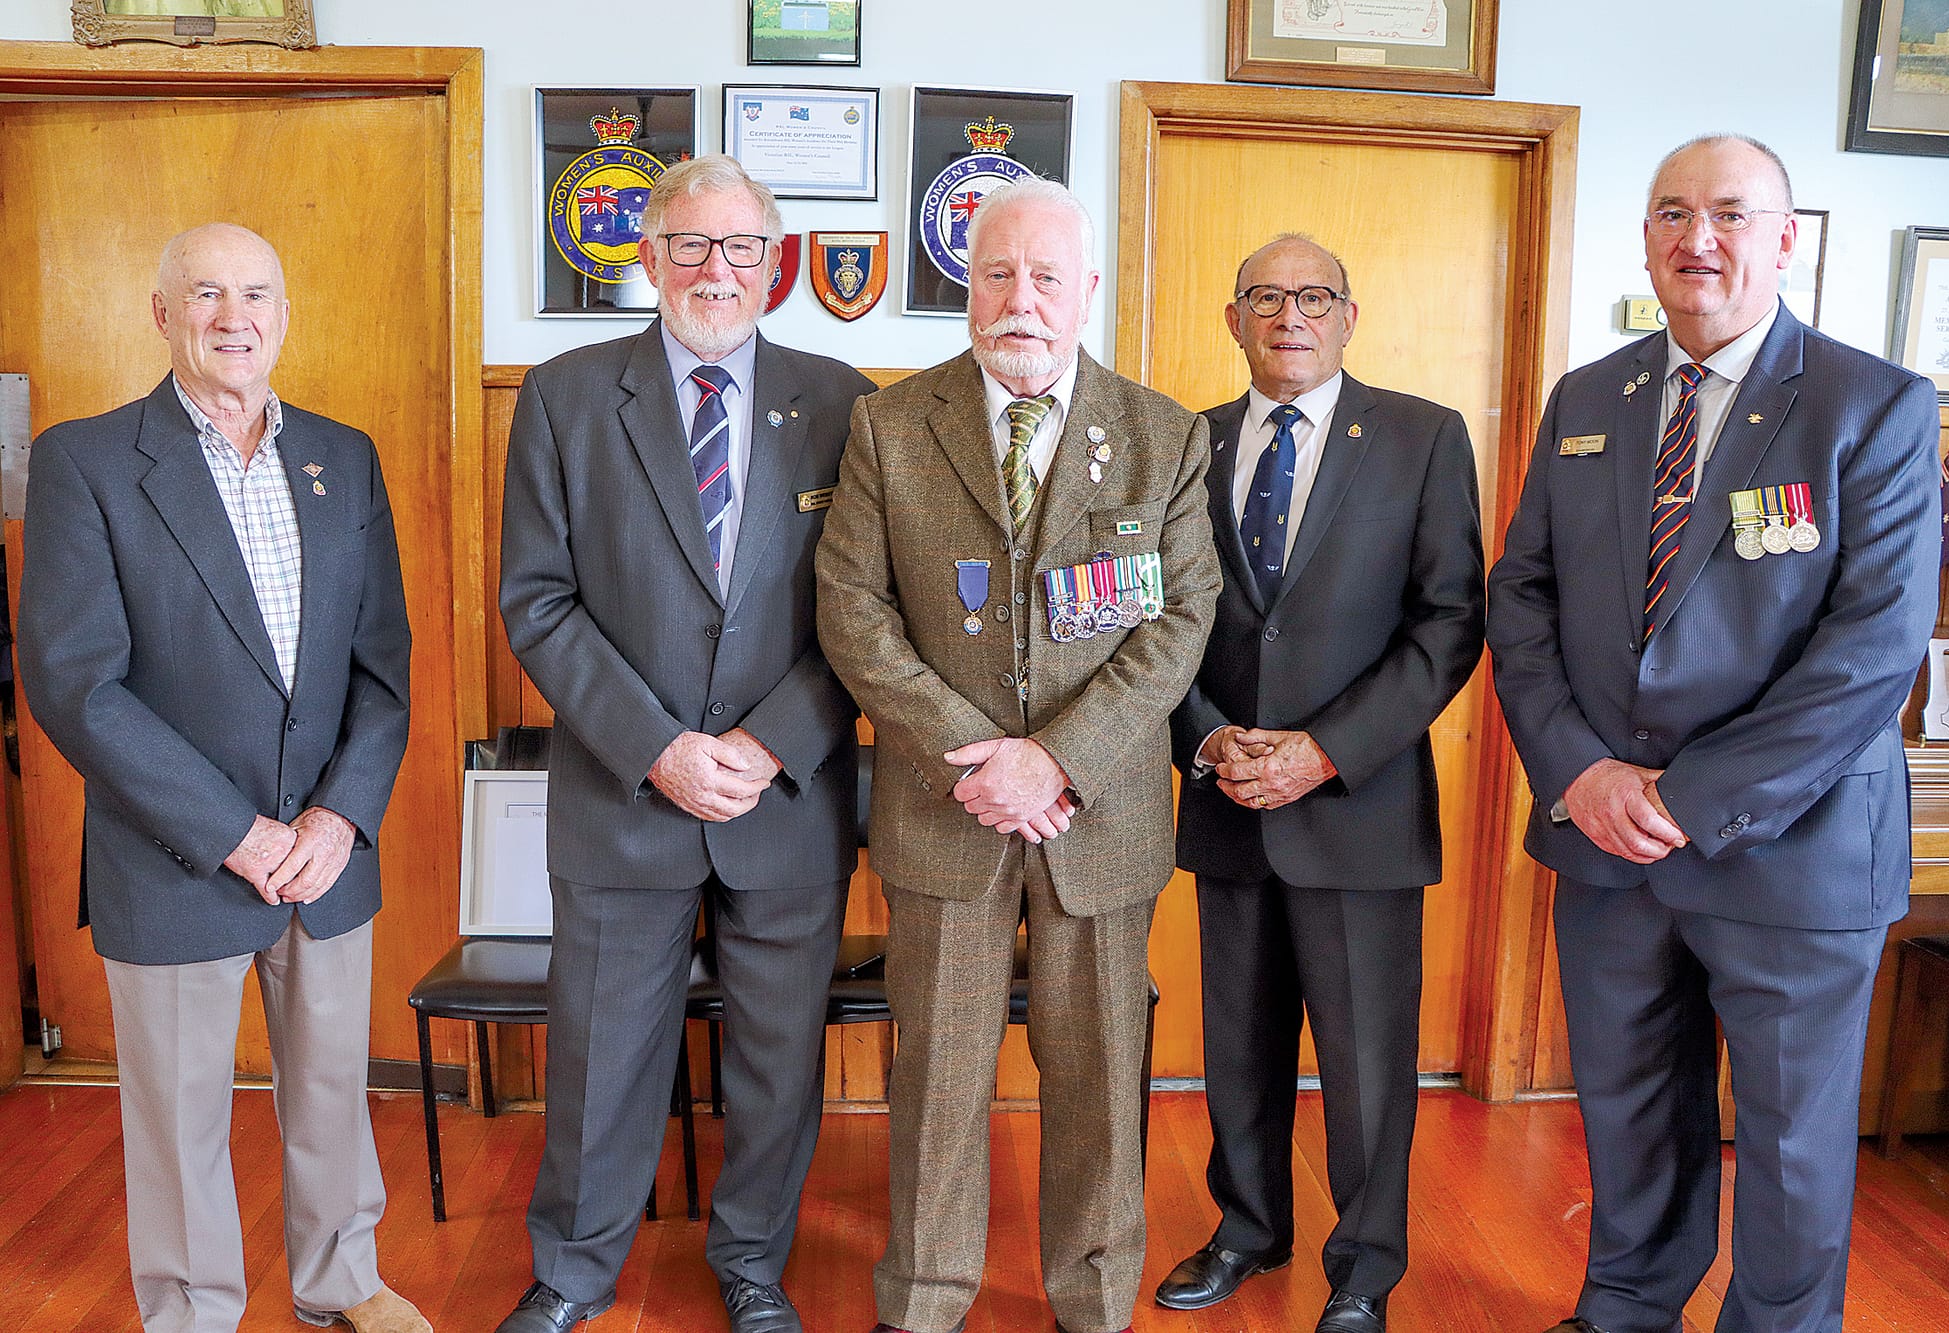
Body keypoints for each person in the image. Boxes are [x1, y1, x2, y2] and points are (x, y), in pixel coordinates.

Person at [1486, 135, 1941, 1333]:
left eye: (1731, 215)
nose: (1699, 240)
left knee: (1790, 1142)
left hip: (1788, 850)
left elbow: (1869, 653)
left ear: (1785, 240)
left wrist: (1683, 798)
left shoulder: (1871, 405)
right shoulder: (1589, 398)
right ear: (1643, 238)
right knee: (1629, 1110)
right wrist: (1578, 771)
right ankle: (1626, 1306)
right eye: (1672, 213)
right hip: (1603, 844)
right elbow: (1518, 595)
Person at [816, 176, 1222, 1333]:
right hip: (947, 809)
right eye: (997, 273)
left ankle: (1092, 1298)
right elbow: (853, 611)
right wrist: (978, 756)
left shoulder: (1162, 434)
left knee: (1096, 1075)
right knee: (937, 1074)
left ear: (1086, 289)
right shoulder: (890, 426)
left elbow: (1177, 623)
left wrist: (1055, 759)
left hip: (1099, 814)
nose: (1021, 300)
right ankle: (925, 1297)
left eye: (1047, 276)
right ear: (965, 283)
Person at [17, 223, 422, 1333]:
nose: (232, 315)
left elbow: (381, 669)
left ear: (285, 316)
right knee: (182, 1108)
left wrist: (339, 817)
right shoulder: (86, 461)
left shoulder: (342, 455)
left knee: (333, 1091)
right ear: (161, 315)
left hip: (327, 857)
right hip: (177, 853)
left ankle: (342, 1282)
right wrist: (235, 833)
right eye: (204, 292)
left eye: (256, 294)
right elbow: (73, 682)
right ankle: (194, 1309)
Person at [496, 154, 871, 1333]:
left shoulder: (849, 402)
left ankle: (753, 1264)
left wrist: (770, 742)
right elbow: (537, 601)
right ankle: (570, 1277)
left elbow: (871, 614)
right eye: (693, 247)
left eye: (741, 248)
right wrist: (655, 745)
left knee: (775, 1063)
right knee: (601, 1058)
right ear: (650, 257)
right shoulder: (563, 396)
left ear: (775, 264)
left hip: (789, 796)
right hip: (623, 793)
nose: (718, 270)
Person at [1159, 235, 1485, 1333]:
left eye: (1310, 297)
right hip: (1224, 795)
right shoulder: (1182, 444)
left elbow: (1448, 623)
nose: (1286, 315)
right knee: (1237, 1045)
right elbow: (1153, 622)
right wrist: (1206, 742)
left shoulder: (1420, 437)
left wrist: (1323, 749)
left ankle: (1364, 1264)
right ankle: (1247, 1229)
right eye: (1263, 296)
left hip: (1357, 803)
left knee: (1364, 1061)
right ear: (1231, 317)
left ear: (1348, 315)